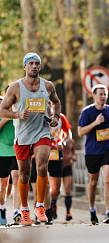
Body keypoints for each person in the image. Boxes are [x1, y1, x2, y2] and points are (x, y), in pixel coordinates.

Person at [0, 52, 61, 226]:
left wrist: (55, 116)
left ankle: (40, 206)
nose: (34, 66)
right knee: (24, 175)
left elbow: (57, 102)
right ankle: (25, 210)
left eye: (37, 63)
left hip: (42, 131)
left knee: (42, 165)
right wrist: (17, 114)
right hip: (23, 135)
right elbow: (2, 110)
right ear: (25, 66)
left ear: (40, 67)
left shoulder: (48, 86)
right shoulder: (15, 87)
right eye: (31, 63)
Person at [78, 84, 109, 224]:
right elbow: (80, 132)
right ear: (94, 96)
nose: (103, 97)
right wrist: (95, 123)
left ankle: (108, 213)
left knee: (108, 179)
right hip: (92, 151)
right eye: (100, 94)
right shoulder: (87, 112)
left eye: (105, 94)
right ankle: (92, 209)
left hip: (107, 149)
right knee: (93, 181)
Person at [0, 93, 21, 225]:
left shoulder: (16, 112)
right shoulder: (6, 115)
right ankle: (2, 208)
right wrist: (6, 117)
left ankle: (16, 211)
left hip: (16, 150)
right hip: (2, 152)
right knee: (3, 186)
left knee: (16, 178)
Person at [62, 136, 76, 221]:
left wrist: (73, 156)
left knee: (68, 190)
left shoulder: (71, 140)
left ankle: (68, 212)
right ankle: (53, 207)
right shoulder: (55, 137)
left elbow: (74, 152)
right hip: (56, 166)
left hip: (67, 167)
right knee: (55, 190)